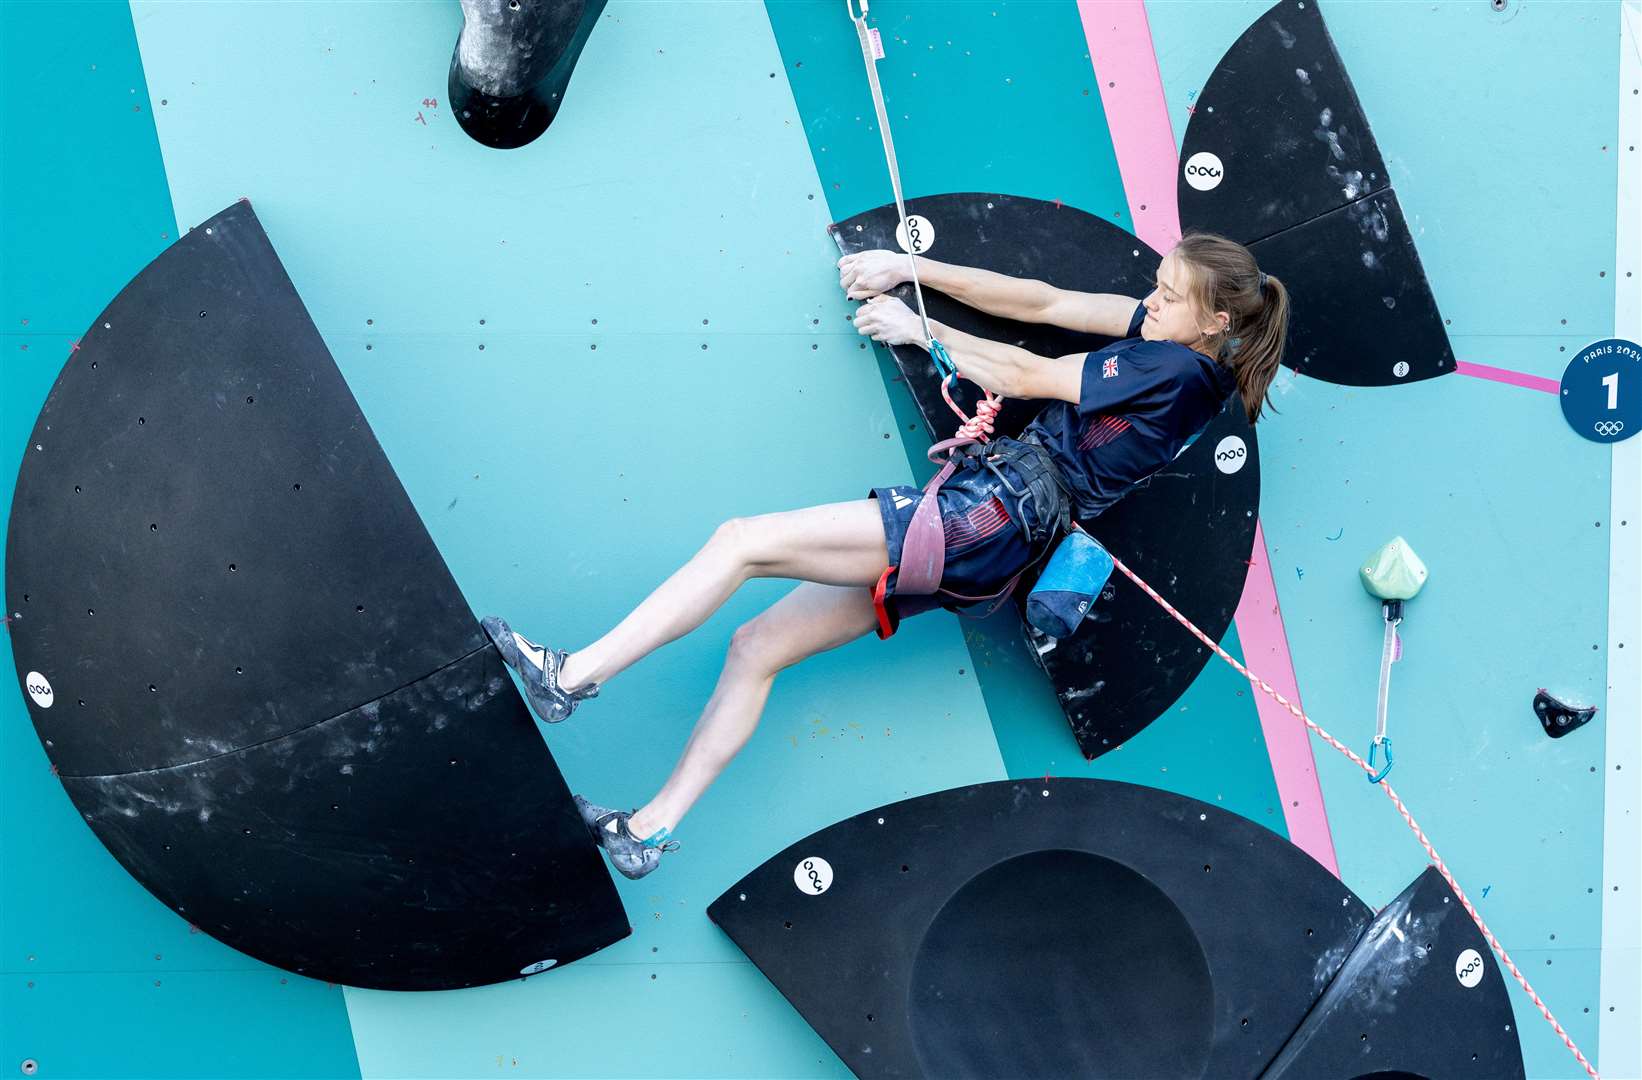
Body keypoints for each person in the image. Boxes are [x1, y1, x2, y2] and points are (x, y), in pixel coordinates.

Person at [483, 230, 1289, 879]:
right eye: (1156, 282)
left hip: (993, 513)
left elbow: (1028, 370)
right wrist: (914, 268)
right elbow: (1041, 301)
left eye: (1169, 295)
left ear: (1215, 323)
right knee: (758, 646)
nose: (1150, 298)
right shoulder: (1179, 355)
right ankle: (649, 831)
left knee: (742, 544)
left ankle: (569, 676)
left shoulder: (1170, 366)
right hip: (1003, 535)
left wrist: (916, 325)